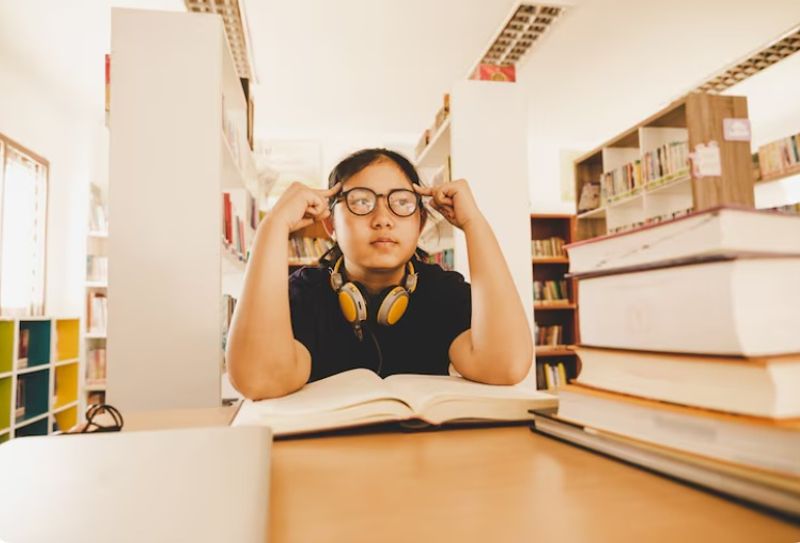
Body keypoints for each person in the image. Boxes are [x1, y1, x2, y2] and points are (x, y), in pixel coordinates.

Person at [226, 148, 532, 399]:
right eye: (361, 202)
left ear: (420, 224)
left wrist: (474, 223)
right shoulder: (306, 293)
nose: (383, 219)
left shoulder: (441, 291)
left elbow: (505, 366)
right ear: (331, 225)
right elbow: (259, 380)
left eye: (401, 203)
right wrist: (273, 226)